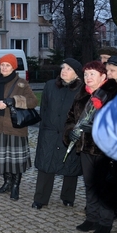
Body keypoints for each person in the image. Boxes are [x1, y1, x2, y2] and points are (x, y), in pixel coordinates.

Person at [64, 60, 117, 233]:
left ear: (103, 76)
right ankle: (92, 218)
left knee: (105, 187)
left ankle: (105, 222)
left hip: (105, 149)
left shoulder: (112, 95)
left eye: (92, 74)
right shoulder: (82, 95)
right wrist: (70, 132)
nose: (87, 77)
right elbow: (71, 117)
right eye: (86, 74)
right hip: (85, 147)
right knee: (90, 185)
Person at [0, 53, 38, 201]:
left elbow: (33, 101)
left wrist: (14, 100)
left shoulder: (21, 83)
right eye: (2, 65)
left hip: (15, 128)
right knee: (2, 158)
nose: (4, 68)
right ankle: (7, 182)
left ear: (13, 67)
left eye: (7, 65)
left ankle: (15, 186)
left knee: (16, 160)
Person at [32, 59, 83, 209]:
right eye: (63, 68)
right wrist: (47, 127)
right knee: (46, 165)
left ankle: (68, 196)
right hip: (50, 132)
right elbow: (44, 109)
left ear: (77, 74)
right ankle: (40, 198)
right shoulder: (50, 86)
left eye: (68, 69)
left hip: (70, 133)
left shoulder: (82, 89)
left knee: (70, 166)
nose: (64, 71)